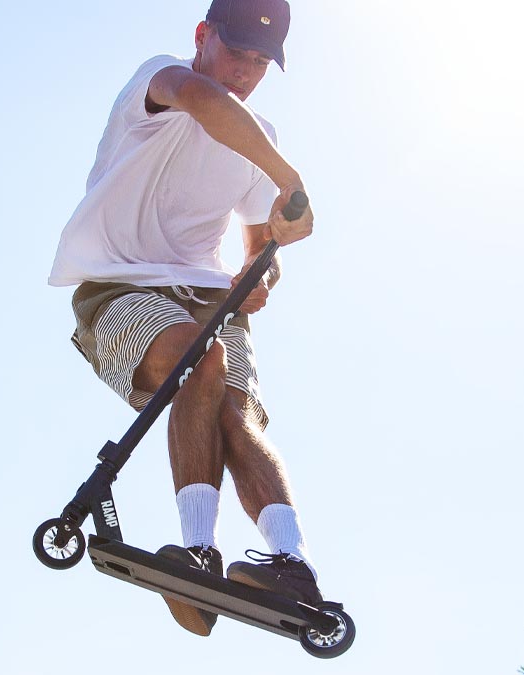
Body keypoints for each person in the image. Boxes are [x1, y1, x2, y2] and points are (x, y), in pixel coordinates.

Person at [49, 0, 322, 638]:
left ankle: (291, 562)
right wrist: (292, 179)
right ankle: (199, 549)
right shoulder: (163, 80)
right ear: (202, 37)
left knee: (237, 410)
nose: (247, 73)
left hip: (206, 294)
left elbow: (259, 244)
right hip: (119, 285)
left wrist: (262, 272)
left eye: (261, 63)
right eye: (236, 53)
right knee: (197, 356)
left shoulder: (262, 139)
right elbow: (204, 100)